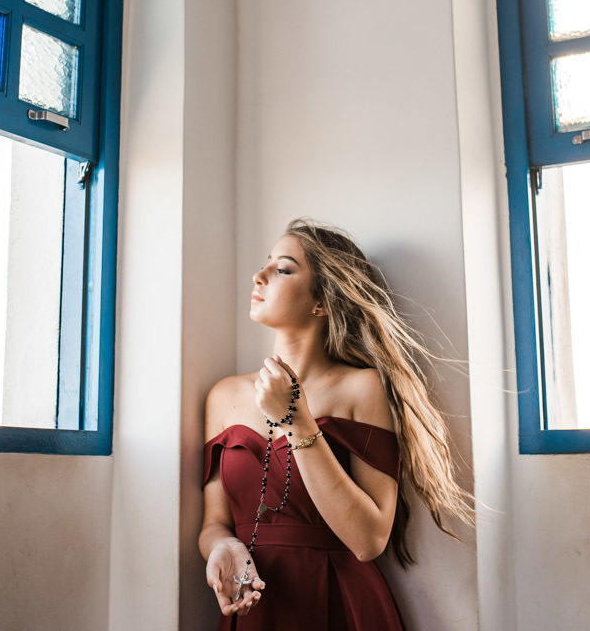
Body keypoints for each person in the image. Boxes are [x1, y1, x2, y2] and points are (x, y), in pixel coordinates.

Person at [198, 218, 477, 629]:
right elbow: (213, 522)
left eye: (284, 268)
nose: (259, 276)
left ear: (322, 301)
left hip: (341, 603)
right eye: (265, 264)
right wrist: (222, 546)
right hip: (255, 606)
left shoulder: (362, 389)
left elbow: (369, 540)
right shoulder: (223, 396)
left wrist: (295, 420)